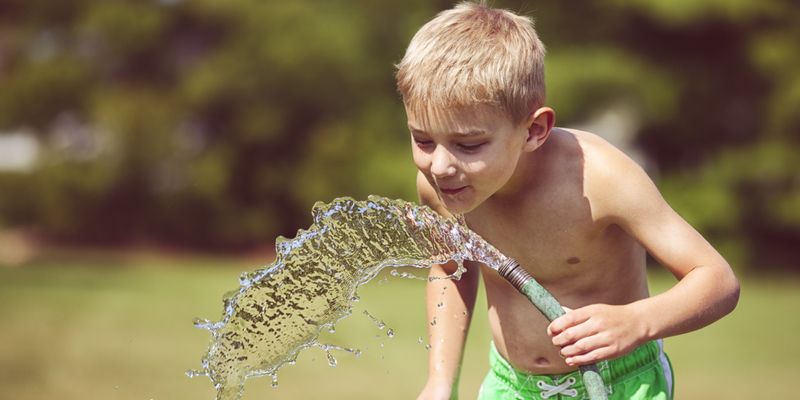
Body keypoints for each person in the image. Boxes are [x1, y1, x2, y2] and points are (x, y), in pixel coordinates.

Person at [394, 2, 740, 399]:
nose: (439, 166)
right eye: (422, 140)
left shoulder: (600, 178)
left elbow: (717, 280)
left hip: (619, 384)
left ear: (534, 129)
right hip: (512, 386)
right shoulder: (444, 188)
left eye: (469, 144)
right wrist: (440, 380)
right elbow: (450, 270)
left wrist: (637, 322)